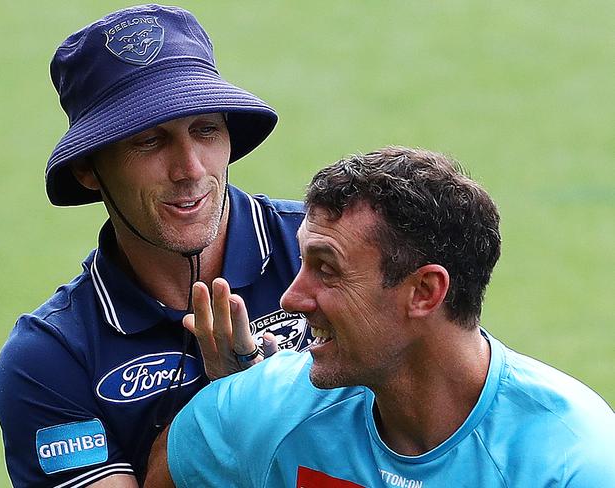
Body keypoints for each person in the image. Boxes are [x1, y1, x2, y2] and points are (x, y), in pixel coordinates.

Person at [146, 146, 615, 487]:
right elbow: (172, 465)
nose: (291, 299)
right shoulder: (269, 405)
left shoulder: (571, 460)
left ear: (424, 292)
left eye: (326, 270)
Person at [0, 4, 313, 487]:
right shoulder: (47, 359)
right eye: (149, 140)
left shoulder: (327, 250)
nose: (190, 169)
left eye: (206, 130)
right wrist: (225, 403)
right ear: (89, 169)